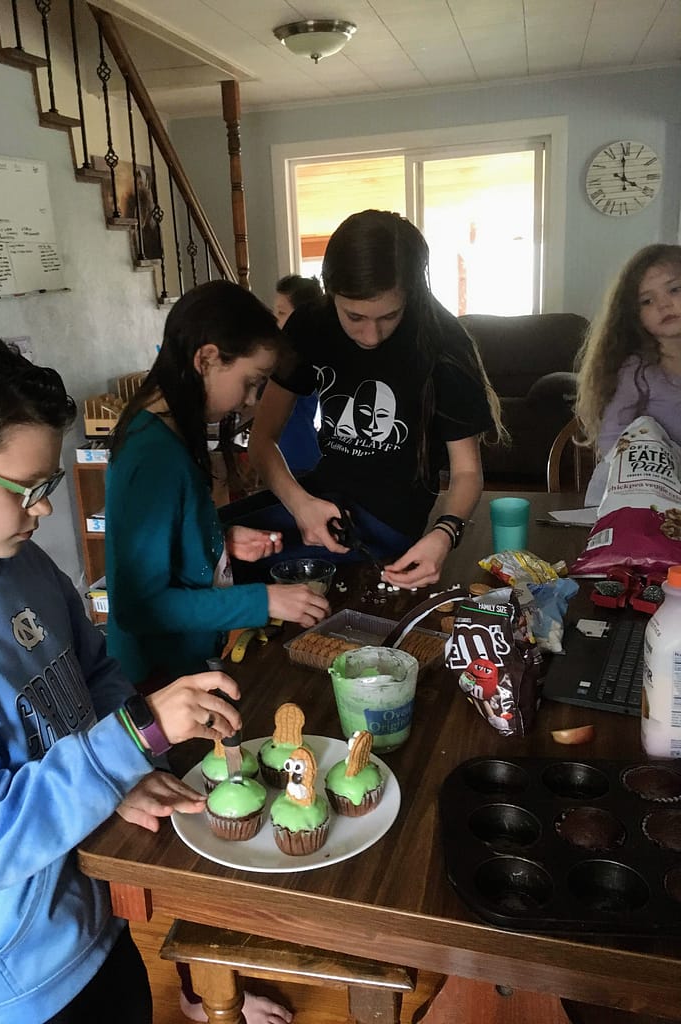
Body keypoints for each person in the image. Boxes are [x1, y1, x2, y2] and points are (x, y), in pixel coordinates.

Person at [0, 330, 244, 1024]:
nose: (44, 509)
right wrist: (137, 736)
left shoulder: (22, 564)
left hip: (94, 914)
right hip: (12, 983)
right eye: (27, 489)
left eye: (51, 484)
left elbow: (95, 672)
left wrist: (117, 772)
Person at [105, 280, 329, 1024]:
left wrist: (219, 542)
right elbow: (139, 600)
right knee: (192, 841)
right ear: (207, 357)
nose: (247, 400)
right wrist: (261, 599)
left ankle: (213, 979)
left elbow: (166, 546)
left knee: (214, 811)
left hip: (189, 665)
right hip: (155, 680)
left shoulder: (173, 429)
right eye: (248, 382)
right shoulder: (153, 449)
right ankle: (207, 994)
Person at [244, 209, 504, 590]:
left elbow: (466, 473)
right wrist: (301, 505)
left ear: (412, 292)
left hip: (388, 526)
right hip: (321, 497)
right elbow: (261, 440)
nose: (371, 335)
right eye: (354, 316)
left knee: (221, 562)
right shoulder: (310, 325)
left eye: (389, 316)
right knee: (213, 538)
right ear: (329, 289)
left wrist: (444, 534)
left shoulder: (445, 342)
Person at [575, 243, 681, 506]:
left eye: (675, 289)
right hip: (644, 496)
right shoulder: (635, 371)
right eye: (647, 300)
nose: (664, 304)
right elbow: (612, 439)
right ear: (635, 316)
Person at [273, 274, 324, 476]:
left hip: (297, 455)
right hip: (291, 452)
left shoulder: (298, 358)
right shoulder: (284, 353)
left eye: (281, 313)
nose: (275, 320)